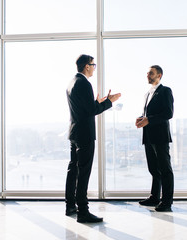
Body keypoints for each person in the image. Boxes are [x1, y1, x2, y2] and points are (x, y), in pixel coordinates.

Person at [65, 54, 121, 223]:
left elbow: (85, 108)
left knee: (73, 170)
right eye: (93, 65)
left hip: (74, 132)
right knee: (83, 172)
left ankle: (70, 206)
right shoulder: (85, 84)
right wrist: (109, 102)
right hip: (85, 134)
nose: (94, 68)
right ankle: (83, 211)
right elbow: (91, 111)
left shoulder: (72, 82)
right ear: (87, 66)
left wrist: (97, 102)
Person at [135, 65, 174, 212]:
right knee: (153, 169)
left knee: (165, 170)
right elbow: (148, 114)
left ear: (159, 76)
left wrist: (149, 120)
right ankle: (154, 197)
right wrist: (140, 119)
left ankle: (167, 202)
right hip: (148, 136)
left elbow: (168, 113)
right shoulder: (147, 94)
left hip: (160, 136)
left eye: (151, 73)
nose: (148, 75)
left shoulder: (165, 91)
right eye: (147, 73)